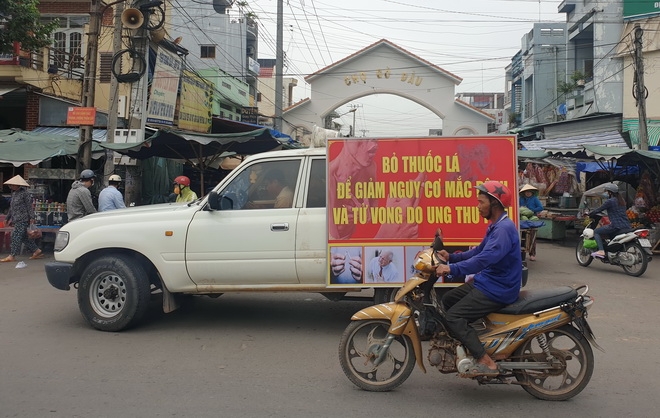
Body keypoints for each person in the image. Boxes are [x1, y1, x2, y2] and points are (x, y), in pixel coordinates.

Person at [435, 181, 522, 377]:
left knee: (454, 316)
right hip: (489, 281)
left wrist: (451, 268)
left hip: (498, 288)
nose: (477, 206)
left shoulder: (503, 230)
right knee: (448, 300)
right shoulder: (496, 226)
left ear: (495, 205)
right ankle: (474, 340)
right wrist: (452, 257)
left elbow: (483, 260)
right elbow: (479, 251)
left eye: (480, 202)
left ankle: (485, 360)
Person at [1, 175, 42, 262]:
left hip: (23, 219)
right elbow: (12, 208)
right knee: (23, 237)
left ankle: (12, 255)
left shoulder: (25, 194)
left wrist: (32, 217)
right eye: (11, 185)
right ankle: (36, 250)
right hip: (16, 219)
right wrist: (7, 218)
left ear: (18, 185)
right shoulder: (14, 194)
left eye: (13, 185)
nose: (11, 186)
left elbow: (29, 206)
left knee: (16, 236)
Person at [589, 182, 631, 258]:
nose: (606, 193)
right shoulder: (622, 201)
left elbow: (599, 209)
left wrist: (589, 213)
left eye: (607, 192)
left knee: (596, 231)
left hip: (615, 226)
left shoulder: (610, 201)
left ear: (610, 193)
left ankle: (601, 251)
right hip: (626, 225)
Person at [518, 184, 543, 261]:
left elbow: (541, 207)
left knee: (532, 237)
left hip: (532, 219)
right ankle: (520, 253)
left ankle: (532, 254)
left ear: (532, 192)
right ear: (524, 192)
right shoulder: (521, 199)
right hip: (522, 219)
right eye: (526, 192)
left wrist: (532, 210)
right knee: (522, 237)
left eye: (529, 192)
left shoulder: (534, 199)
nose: (528, 193)